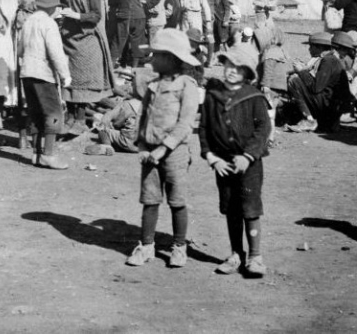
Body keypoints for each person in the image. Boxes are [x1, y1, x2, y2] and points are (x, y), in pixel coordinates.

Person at [126, 29, 199, 268]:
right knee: (150, 199)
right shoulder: (153, 86)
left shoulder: (187, 86)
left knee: (177, 200)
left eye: (156, 55)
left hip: (175, 153)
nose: (151, 59)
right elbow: (143, 118)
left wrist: (163, 149)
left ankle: (179, 246)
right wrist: (143, 146)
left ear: (170, 59)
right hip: (151, 152)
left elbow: (185, 123)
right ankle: (146, 246)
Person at [199, 44, 270, 277]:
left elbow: (263, 128)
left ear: (247, 74)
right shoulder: (212, 96)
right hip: (223, 163)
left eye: (238, 69)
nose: (232, 71)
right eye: (229, 65)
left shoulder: (254, 97)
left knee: (250, 206)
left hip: (249, 164)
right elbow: (204, 128)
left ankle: (255, 256)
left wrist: (248, 155)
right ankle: (235, 253)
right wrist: (211, 157)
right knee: (231, 208)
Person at [57, 0, 115, 131]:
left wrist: (77, 15)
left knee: (83, 80)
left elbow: (96, 15)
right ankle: (71, 117)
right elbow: (61, 3)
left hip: (87, 39)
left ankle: (80, 120)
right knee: (69, 79)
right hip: (69, 37)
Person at [19, 0, 72, 169]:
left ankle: (36, 153)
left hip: (26, 72)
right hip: (44, 74)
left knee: (35, 112)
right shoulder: (49, 24)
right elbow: (56, 53)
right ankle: (49, 154)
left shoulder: (27, 22)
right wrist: (65, 75)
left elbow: (19, 49)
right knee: (53, 113)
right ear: (51, 7)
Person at [286, 32, 349, 133]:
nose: (309, 49)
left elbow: (316, 88)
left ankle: (309, 120)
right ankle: (330, 123)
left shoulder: (328, 61)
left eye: (311, 46)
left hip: (330, 106)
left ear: (319, 47)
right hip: (336, 107)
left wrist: (301, 71)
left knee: (294, 80)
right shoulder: (334, 59)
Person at [108, 0, 163, 69]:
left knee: (118, 41)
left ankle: (111, 67)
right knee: (136, 42)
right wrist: (147, 3)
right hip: (139, 16)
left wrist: (118, 2)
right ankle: (134, 68)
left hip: (124, 15)